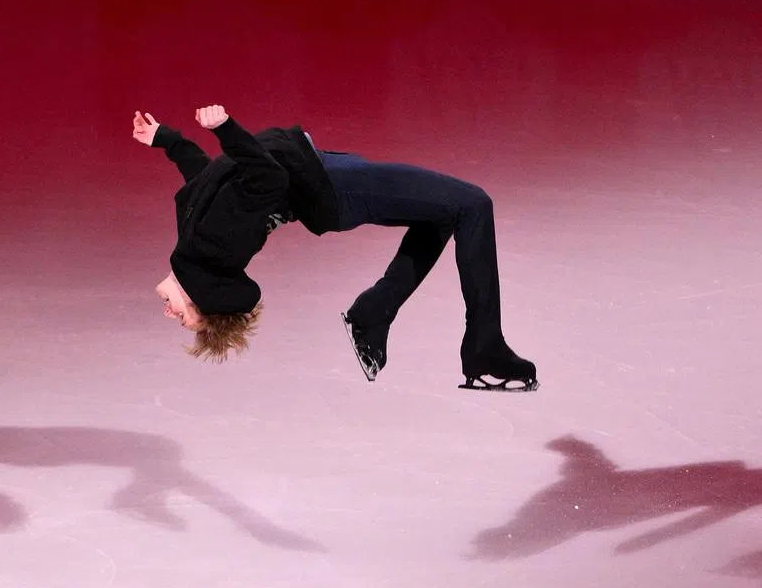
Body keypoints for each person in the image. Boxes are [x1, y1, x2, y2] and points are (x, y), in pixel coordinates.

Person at [133, 105, 537, 392]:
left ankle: (374, 314)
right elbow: (268, 179)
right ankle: (484, 349)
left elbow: (203, 176)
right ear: (205, 298)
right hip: (337, 189)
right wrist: (226, 130)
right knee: (472, 205)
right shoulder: (216, 248)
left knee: (444, 214)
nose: (170, 313)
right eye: (183, 318)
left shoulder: (194, 239)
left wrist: (165, 139)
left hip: (328, 175)